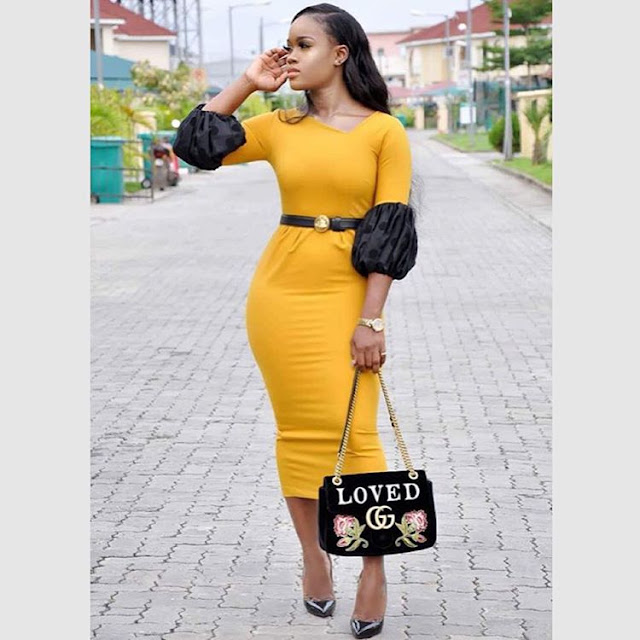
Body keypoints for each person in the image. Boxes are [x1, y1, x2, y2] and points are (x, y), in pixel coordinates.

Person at [173, 4, 419, 638]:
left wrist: (372, 321)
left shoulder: (384, 132)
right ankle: (314, 557)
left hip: (346, 295)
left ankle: (372, 567)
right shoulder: (279, 125)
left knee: (357, 436)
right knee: (298, 433)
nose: (290, 54)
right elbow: (196, 145)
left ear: (340, 54)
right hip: (279, 295)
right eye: (285, 44)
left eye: (303, 44)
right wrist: (249, 82)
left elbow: (391, 231)